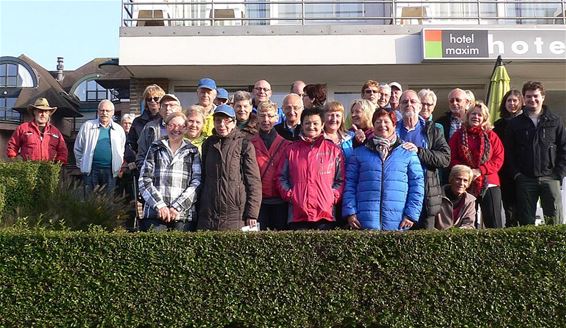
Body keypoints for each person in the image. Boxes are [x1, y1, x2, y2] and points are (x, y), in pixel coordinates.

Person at [342, 108, 424, 231]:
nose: (382, 125)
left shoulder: (408, 153)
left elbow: (417, 186)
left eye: (386, 122)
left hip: (398, 223)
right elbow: (349, 184)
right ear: (373, 125)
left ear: (394, 125)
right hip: (364, 222)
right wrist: (350, 213)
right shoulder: (359, 153)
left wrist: (411, 215)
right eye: (378, 122)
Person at [505, 81, 566, 226]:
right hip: (525, 179)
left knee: (555, 221)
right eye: (528, 97)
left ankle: (555, 249)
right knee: (527, 223)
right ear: (524, 100)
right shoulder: (515, 123)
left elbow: (564, 148)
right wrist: (516, 174)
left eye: (536, 96)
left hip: (550, 177)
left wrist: (559, 173)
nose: (532, 100)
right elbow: (509, 152)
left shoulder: (555, 121)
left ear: (543, 97)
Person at [277, 108, 344, 230]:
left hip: (325, 214)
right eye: (307, 123)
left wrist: (331, 197)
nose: (311, 126)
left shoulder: (334, 151)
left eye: (315, 123)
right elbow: (281, 177)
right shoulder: (290, 150)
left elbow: (341, 180)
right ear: (302, 125)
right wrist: (291, 196)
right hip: (298, 215)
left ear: (322, 125)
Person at [197, 104, 262, 231]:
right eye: (218, 120)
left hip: (236, 215)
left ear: (234, 122)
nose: (222, 125)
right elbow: (203, 177)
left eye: (226, 121)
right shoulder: (208, 144)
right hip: (208, 214)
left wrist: (252, 213)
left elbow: (253, 182)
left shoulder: (245, 144)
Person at [139, 112, 201, 232]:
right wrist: (160, 206)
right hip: (155, 213)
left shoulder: (192, 151)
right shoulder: (155, 147)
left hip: (183, 215)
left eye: (180, 126)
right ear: (166, 126)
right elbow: (144, 180)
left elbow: (197, 182)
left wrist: (177, 207)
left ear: (185, 128)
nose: (176, 129)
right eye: (172, 125)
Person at [397, 90, 450, 229]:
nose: (409, 104)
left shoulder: (432, 130)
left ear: (420, 107)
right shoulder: (392, 131)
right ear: (399, 107)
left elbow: (445, 158)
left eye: (413, 101)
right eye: (404, 102)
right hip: (398, 196)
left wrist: (419, 151)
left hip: (426, 196)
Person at [449, 102, 504, 228]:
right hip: (465, 183)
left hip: (489, 182)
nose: (476, 117)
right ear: (467, 116)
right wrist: (466, 172)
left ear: (484, 118)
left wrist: (480, 170)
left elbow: (498, 158)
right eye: (473, 113)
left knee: (494, 224)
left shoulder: (492, 136)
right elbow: (451, 158)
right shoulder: (458, 135)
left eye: (480, 115)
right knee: (467, 222)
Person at [251, 101, 290, 230]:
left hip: (281, 201)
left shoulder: (287, 145)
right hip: (258, 202)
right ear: (257, 117)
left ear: (277, 118)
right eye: (262, 116)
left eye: (270, 116)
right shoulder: (249, 144)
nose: (266, 120)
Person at [74, 99, 126, 194]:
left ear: (112, 113)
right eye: (102, 110)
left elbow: (121, 150)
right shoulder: (87, 126)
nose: (104, 113)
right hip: (91, 171)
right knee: (90, 203)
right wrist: (82, 165)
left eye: (107, 111)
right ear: (98, 111)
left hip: (111, 172)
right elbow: (78, 148)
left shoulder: (119, 130)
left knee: (108, 203)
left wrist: (118, 167)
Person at [493, 89, 523, 227]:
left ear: (521, 102)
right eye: (509, 100)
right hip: (504, 171)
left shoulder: (527, 122)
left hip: (523, 171)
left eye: (515, 100)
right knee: (509, 208)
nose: (512, 103)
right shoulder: (499, 125)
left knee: (523, 209)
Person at [6, 97, 67, 163]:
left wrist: (59, 163)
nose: (43, 114)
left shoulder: (56, 132)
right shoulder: (23, 128)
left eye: (46, 112)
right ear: (34, 112)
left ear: (49, 114)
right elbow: (12, 146)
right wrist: (15, 161)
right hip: (28, 170)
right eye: (40, 111)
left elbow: (63, 150)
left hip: (49, 170)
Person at [323, 101, 354, 228]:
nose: (334, 119)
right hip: (327, 191)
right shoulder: (318, 138)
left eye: (337, 115)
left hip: (347, 190)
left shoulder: (350, 138)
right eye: (330, 115)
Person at [136, 94, 182, 169]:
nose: (168, 108)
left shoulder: (186, 127)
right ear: (160, 110)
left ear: (179, 109)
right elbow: (141, 155)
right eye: (164, 105)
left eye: (172, 105)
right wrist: (147, 173)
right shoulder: (150, 127)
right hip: (155, 176)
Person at [435, 165, 477, 230]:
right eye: (458, 179)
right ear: (451, 179)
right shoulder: (436, 195)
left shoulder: (470, 201)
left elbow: (469, 224)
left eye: (465, 180)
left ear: (468, 184)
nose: (461, 183)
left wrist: (456, 234)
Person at [128, 84, 165, 156]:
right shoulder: (137, 121)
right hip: (144, 161)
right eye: (149, 99)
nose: (152, 101)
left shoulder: (166, 120)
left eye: (156, 98)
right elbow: (131, 144)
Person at [117, 113, 137, 204]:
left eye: (130, 123)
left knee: (132, 197)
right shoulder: (117, 136)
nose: (127, 125)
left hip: (132, 171)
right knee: (118, 196)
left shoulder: (136, 137)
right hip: (119, 171)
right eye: (125, 123)